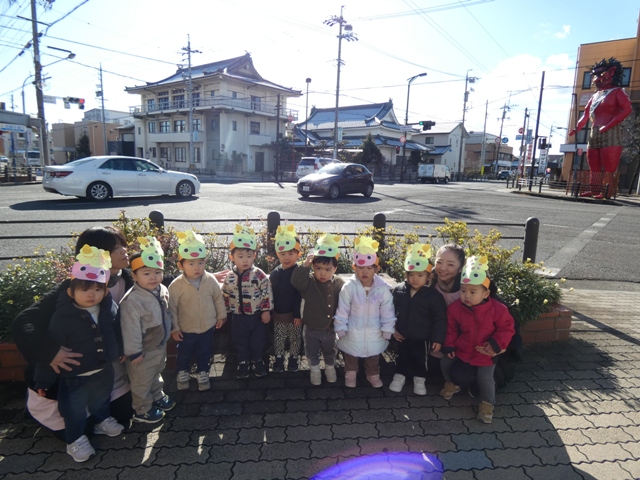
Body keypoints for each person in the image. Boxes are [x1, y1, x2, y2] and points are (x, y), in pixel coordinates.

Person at [13, 226, 134, 439]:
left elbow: (162, 283)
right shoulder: (73, 287)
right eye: (116, 247)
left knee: (123, 415)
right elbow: (25, 320)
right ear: (98, 253)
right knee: (79, 428)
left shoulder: (126, 278)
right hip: (70, 370)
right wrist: (50, 352)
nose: (124, 250)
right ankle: (38, 407)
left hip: (103, 367)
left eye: (123, 245)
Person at [33, 245, 125, 462]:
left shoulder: (109, 308)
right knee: (73, 410)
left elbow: (116, 331)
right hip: (74, 374)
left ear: (105, 290)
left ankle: (101, 421)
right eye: (84, 290)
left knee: (101, 399)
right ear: (71, 292)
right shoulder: (62, 317)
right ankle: (75, 439)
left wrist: (120, 350)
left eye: (97, 289)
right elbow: (50, 350)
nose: (91, 294)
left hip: (103, 368)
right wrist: (43, 379)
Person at [440, 255, 515, 424]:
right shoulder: (455, 308)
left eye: (473, 292)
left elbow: (507, 328)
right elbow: (451, 329)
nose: (466, 296)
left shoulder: (498, 309)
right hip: (462, 349)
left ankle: (487, 404)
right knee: (445, 362)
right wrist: (449, 345)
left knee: (485, 378)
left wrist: (496, 344)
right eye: (463, 291)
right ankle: (451, 383)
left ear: (486, 293)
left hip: (485, 353)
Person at [120, 236, 176, 424]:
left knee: (156, 372)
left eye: (157, 272)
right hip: (142, 350)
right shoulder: (132, 301)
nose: (153, 277)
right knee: (141, 380)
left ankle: (157, 395)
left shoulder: (161, 289)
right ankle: (142, 409)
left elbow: (167, 313)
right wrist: (134, 351)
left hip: (159, 344)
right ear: (134, 276)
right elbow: (130, 329)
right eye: (146, 273)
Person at [334, 236, 396, 388]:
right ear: (354, 268)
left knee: (373, 356)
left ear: (376, 269)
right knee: (350, 356)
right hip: (352, 331)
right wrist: (340, 328)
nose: (365, 272)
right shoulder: (349, 287)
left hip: (374, 331)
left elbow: (388, 311)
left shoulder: (382, 289)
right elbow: (342, 309)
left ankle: (372, 374)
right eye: (361, 268)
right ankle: (350, 374)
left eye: (369, 268)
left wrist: (387, 330)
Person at [169, 230, 226, 391]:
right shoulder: (176, 285)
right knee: (184, 353)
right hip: (186, 329)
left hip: (207, 326)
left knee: (205, 352)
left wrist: (221, 316)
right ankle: (182, 373)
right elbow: (171, 308)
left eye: (201, 263)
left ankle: (203, 372)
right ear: (181, 265)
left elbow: (218, 298)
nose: (197, 267)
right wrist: (174, 328)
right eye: (191, 263)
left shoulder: (210, 280)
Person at [569, 57, 632, 199]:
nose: (596, 79)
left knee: (609, 165)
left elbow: (627, 109)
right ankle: (594, 189)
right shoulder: (595, 95)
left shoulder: (617, 91)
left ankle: (607, 191)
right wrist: (577, 128)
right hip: (594, 131)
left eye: (600, 74)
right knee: (593, 163)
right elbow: (586, 114)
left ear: (612, 72)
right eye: (594, 75)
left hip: (612, 131)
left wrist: (610, 124)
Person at [390, 243, 447, 395]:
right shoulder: (399, 291)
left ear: (429, 276)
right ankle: (399, 375)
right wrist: (392, 329)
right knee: (402, 356)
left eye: (420, 275)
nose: (415, 279)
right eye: (411, 275)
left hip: (423, 338)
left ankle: (420, 378)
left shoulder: (434, 297)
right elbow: (390, 311)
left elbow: (440, 319)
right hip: (402, 335)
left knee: (420, 359)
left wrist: (438, 339)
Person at [291, 233, 345, 386]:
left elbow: (346, 302)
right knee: (311, 352)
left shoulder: (339, 283)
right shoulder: (309, 282)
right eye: (318, 268)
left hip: (330, 328)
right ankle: (314, 371)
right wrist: (305, 265)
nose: (322, 273)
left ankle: (330, 369)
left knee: (330, 351)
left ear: (335, 268)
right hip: (311, 327)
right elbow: (296, 282)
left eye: (328, 269)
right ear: (313, 267)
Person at [222, 225, 273, 379]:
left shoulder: (258, 274)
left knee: (258, 341)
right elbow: (225, 295)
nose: (245, 260)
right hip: (238, 317)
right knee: (240, 341)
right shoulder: (230, 277)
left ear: (254, 256)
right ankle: (243, 362)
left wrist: (266, 310)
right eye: (240, 256)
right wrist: (224, 313)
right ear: (232, 257)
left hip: (257, 316)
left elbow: (267, 292)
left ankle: (258, 361)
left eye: (249, 256)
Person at [269, 224, 303, 373]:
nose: (287, 257)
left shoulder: (298, 272)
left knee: (295, 338)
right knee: (279, 337)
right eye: (282, 254)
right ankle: (279, 358)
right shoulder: (275, 273)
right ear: (277, 254)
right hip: (279, 314)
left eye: (291, 253)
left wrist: (298, 315)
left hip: (294, 315)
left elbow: (300, 294)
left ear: (298, 254)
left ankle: (294, 359)